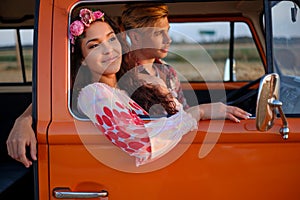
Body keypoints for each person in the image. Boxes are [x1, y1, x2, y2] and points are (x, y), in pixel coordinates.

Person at [7, 7, 251, 168]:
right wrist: (200, 111)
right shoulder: (94, 94)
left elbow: (172, 117)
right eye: (94, 46)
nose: (108, 50)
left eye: (111, 39)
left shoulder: (128, 86)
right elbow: (141, 143)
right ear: (81, 59)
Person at [119, 3, 190, 113]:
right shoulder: (123, 74)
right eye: (158, 33)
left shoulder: (168, 71)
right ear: (135, 37)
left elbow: (185, 111)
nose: (168, 39)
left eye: (167, 31)